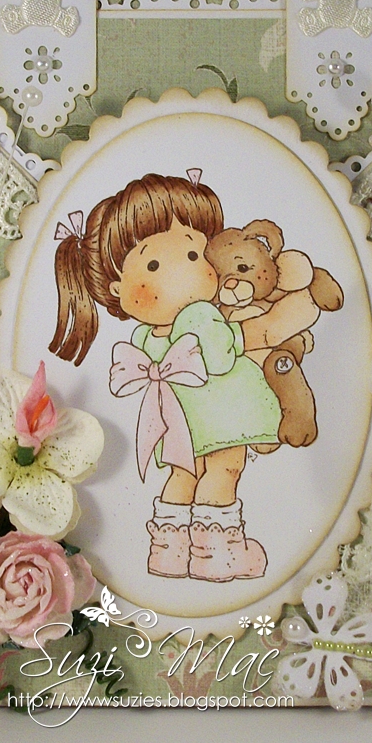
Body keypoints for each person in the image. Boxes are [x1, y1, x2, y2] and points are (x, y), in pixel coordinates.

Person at [50, 171, 283, 581]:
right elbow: (221, 357)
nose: (185, 271)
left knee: (183, 474)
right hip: (222, 415)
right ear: (117, 288)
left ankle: (168, 553)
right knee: (223, 471)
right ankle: (217, 554)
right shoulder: (200, 314)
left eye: (194, 254)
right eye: (155, 264)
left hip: (175, 423)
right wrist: (243, 327)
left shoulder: (144, 335)